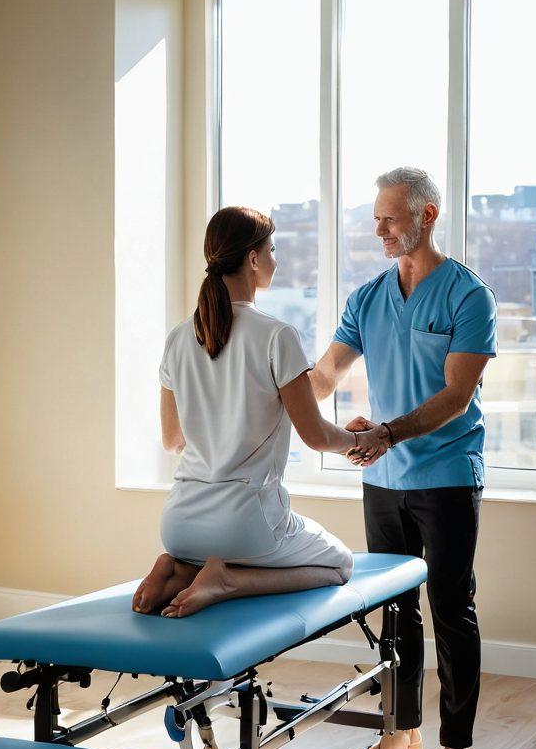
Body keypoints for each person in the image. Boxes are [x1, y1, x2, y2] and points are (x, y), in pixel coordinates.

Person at [309, 167, 497, 749]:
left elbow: (455, 394)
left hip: (445, 475)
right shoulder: (367, 297)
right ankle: (402, 730)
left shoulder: (469, 296)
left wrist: (386, 431)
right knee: (394, 609)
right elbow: (323, 376)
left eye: (390, 218)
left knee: (450, 606)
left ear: (427, 215)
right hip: (383, 478)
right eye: (377, 219)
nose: (380, 229)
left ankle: (459, 744)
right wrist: (272, 396)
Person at [134, 205, 386, 619]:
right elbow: (317, 437)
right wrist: (363, 441)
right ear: (252, 259)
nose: (276, 259)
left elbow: (172, 439)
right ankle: (227, 581)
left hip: (178, 524)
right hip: (244, 524)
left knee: (210, 551)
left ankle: (179, 569)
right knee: (339, 564)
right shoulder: (276, 335)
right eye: (271, 249)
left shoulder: (179, 338)